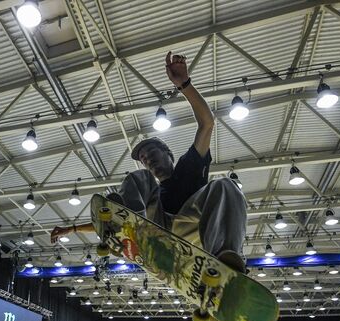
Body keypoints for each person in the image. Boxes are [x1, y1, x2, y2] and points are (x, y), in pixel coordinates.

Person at [51, 51, 247, 272]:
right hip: (159, 231)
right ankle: (133, 232)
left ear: (167, 154)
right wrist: (73, 229)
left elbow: (207, 123)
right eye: (144, 159)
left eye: (151, 154)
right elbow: (110, 215)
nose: (147, 160)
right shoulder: (151, 191)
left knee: (226, 185)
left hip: (194, 231)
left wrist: (184, 84)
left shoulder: (189, 165)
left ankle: (224, 261)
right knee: (139, 177)